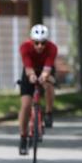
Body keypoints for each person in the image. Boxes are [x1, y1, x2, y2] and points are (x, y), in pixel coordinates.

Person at [18, 23, 57, 155]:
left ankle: (49, 113)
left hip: (45, 70)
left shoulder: (52, 48)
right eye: (36, 43)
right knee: (26, 105)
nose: (40, 46)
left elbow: (48, 68)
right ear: (31, 41)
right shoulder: (25, 47)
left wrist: (44, 77)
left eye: (43, 43)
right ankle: (23, 137)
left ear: (47, 42)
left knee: (49, 85)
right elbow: (28, 68)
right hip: (30, 71)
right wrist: (32, 76)